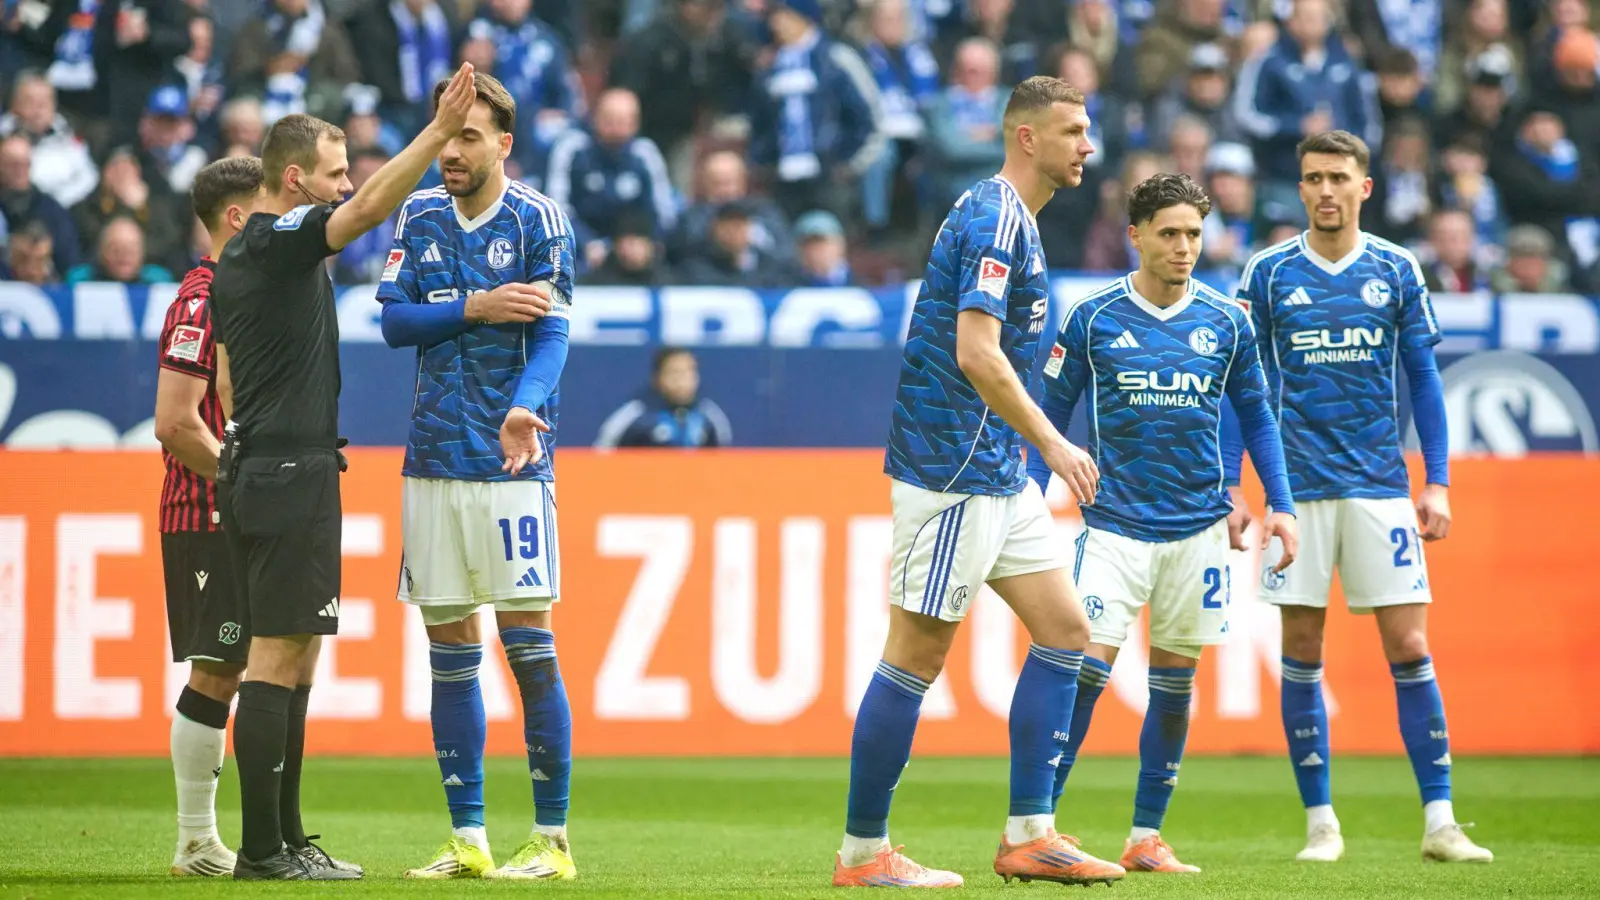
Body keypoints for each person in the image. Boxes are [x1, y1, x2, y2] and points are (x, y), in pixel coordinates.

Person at [834, 75, 1123, 889]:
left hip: (996, 471)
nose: (1088, 146)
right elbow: (976, 352)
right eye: (1072, 131)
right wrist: (1054, 443)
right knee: (916, 653)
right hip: (954, 469)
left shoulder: (1015, 217)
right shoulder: (997, 217)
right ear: (1027, 137)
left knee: (1065, 631)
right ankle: (863, 853)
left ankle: (1031, 834)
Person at [208, 62, 480, 881]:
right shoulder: (273, 240)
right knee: (275, 656)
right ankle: (262, 851)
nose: (346, 186)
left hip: (273, 464)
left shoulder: (250, 261)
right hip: (287, 468)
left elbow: (228, 381)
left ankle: (287, 840)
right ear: (294, 180)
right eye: (334, 173)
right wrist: (438, 133)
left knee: (295, 657)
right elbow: (362, 215)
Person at [1025, 172, 1299, 874]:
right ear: (1136, 235)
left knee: (1175, 688)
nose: (1183, 247)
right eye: (1169, 233)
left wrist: (1281, 504)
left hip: (1199, 530)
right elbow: (1049, 413)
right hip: (1113, 527)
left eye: (1194, 234)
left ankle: (1146, 836)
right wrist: (1027, 498)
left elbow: (1258, 415)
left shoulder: (1227, 321)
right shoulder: (1092, 317)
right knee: (1084, 674)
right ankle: (1037, 828)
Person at [1233, 130, 1493, 865]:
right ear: (1301, 187)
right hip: (1295, 494)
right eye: (1313, 178)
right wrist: (1232, 485)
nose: (1325, 190)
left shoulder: (1396, 267)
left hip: (1380, 487)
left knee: (1409, 645)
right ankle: (1321, 824)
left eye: (1338, 178)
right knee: (1301, 649)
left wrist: (1436, 480)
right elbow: (1241, 388)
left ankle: (1441, 822)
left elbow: (1425, 379)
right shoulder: (1268, 272)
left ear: (1364, 187)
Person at [377, 72, 579, 882]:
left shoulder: (538, 220)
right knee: (450, 652)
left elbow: (554, 333)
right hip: (431, 461)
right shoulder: (419, 213)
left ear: (503, 142)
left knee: (529, 647)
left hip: (511, 466)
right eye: (444, 133)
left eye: (468, 135)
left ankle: (552, 841)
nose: (451, 151)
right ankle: (469, 839)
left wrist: (526, 405)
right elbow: (395, 323)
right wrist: (476, 307)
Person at [153, 155, 265, 878]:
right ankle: (195, 840)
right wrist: (240, 484)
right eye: (268, 210)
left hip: (233, 513)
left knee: (234, 665)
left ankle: (212, 839)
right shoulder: (202, 301)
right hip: (206, 514)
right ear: (235, 217)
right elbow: (174, 423)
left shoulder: (237, 292)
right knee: (217, 670)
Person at [593, 347, 732, 448]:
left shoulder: (710, 416)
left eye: (689, 373)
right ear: (658, 377)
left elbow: (724, 462)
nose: (682, 381)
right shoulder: (635, 415)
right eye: (675, 373)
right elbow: (602, 454)